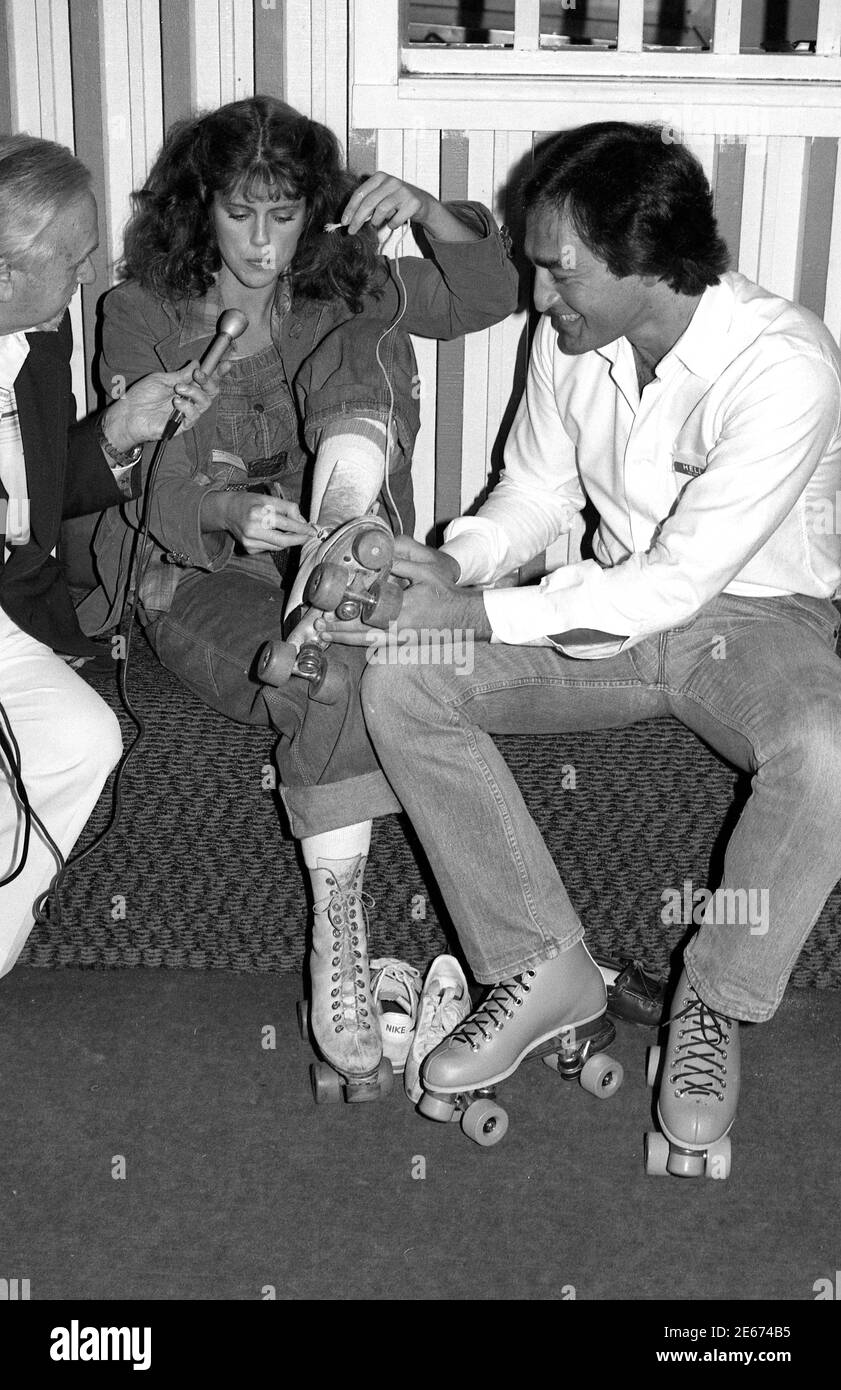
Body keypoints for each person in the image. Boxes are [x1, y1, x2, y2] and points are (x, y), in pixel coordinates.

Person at [348, 122, 841, 1170]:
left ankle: (710, 1003)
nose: (534, 295)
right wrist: (457, 563)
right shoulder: (570, 341)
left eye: (557, 269)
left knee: (829, 751)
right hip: (602, 603)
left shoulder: (785, 363)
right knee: (402, 679)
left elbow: (680, 581)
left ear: (649, 263)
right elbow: (532, 491)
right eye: (534, 264)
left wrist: (482, 616)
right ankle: (539, 965)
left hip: (753, 623)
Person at [77, 95, 518, 1097]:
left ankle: (344, 535)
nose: (267, 242)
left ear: (315, 209)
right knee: (330, 670)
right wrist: (229, 508)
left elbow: (484, 296)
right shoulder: (140, 310)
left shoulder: (341, 277)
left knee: (370, 341)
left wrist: (431, 211)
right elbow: (137, 479)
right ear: (202, 207)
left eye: (286, 213)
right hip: (194, 572)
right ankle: (339, 916)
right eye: (243, 214)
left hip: (329, 548)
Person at [0, 133, 227, 980]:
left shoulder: (42, 339)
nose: (87, 279)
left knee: (82, 736)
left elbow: (43, 492)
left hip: (13, 613)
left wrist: (126, 431)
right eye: (72, 261)